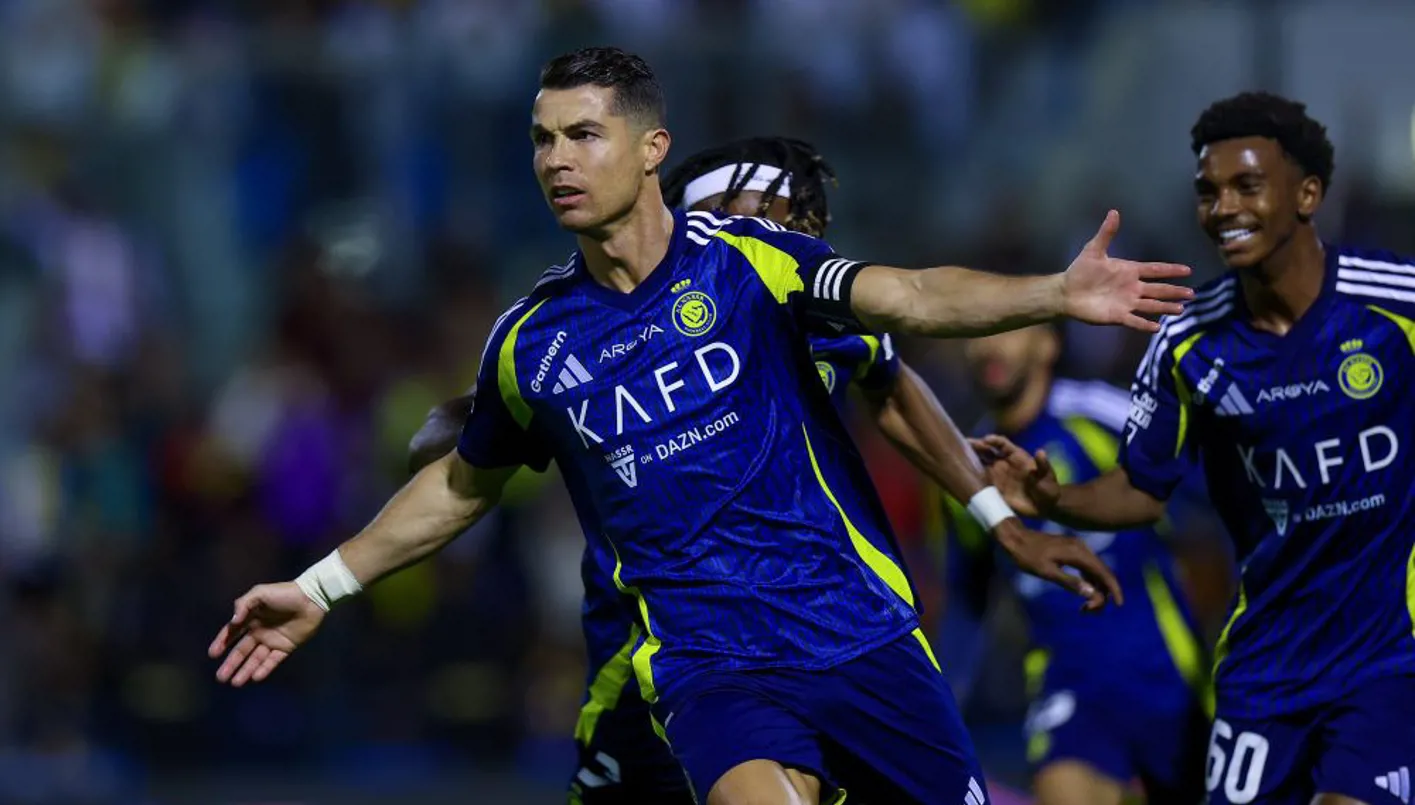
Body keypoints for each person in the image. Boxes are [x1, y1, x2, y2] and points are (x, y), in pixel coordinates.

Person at [209, 47, 1193, 805]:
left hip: (856, 633)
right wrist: (320, 585)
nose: (557, 160)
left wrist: (1054, 293)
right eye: (543, 140)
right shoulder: (530, 342)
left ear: (652, 151)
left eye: (583, 135)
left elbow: (907, 303)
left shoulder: (753, 265)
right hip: (706, 662)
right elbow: (461, 481)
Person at [977, 91, 1415, 805]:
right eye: (1208, 192)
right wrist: (1052, 498)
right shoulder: (1187, 344)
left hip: (1389, 657)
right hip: (1265, 667)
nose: (1223, 208)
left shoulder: (1395, 305)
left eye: (1248, 186)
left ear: (1307, 194)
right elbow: (1141, 487)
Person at [946, 322, 1209, 805]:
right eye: (978, 330)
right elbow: (968, 600)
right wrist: (945, 703)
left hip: (1166, 673)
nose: (990, 346)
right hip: (1067, 687)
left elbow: (1211, 492)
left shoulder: (1103, 413)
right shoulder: (964, 469)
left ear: (1048, 344)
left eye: (1008, 328)